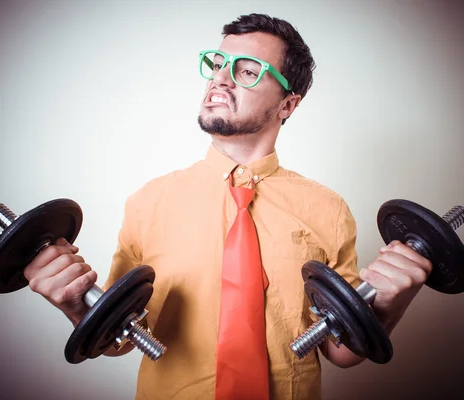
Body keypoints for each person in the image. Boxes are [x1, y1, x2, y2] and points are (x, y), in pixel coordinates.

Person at [23, 13, 432, 400]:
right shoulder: (149, 202)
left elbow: (342, 351)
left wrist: (393, 303)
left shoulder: (328, 209)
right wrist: (76, 307)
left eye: (247, 70)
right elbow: (121, 339)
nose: (220, 79)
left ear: (288, 105)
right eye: (218, 64)